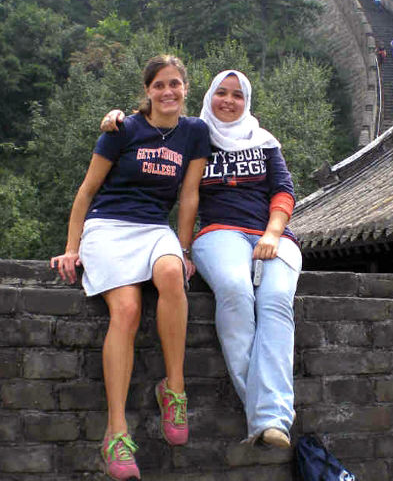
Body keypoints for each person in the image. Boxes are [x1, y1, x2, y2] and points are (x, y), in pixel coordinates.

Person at [101, 70, 302, 450]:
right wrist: (117, 119)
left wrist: (274, 233)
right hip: (219, 233)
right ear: (209, 96)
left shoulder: (265, 141)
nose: (228, 101)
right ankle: (267, 415)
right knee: (235, 291)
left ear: (247, 101)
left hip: (273, 236)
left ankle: (269, 418)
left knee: (276, 302)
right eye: (221, 93)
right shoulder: (196, 135)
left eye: (237, 95)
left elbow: (283, 191)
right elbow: (153, 124)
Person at [51, 54, 211, 481]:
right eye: (160, 85)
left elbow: (190, 195)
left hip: (153, 229)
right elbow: (87, 191)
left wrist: (184, 247)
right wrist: (71, 247)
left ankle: (173, 389)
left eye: (175, 83)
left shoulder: (194, 132)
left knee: (173, 273)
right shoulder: (122, 128)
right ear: (148, 91)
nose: (168, 92)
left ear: (185, 87)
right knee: (126, 311)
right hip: (108, 226)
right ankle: (116, 432)